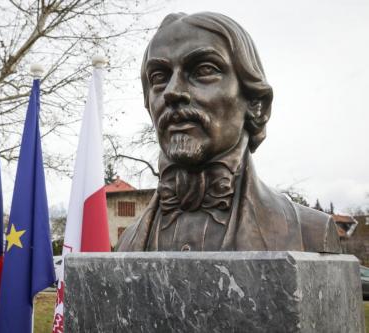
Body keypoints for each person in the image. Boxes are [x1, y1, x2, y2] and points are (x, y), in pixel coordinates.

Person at [116, 12, 341, 252]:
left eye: (203, 70)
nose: (172, 92)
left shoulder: (310, 233)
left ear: (257, 105)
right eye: (159, 77)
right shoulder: (127, 242)